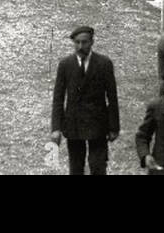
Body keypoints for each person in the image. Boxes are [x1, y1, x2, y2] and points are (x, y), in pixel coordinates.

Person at [50, 25, 120, 175]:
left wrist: (114, 127)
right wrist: (56, 128)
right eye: (77, 42)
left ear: (92, 42)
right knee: (76, 167)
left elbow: (112, 97)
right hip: (74, 124)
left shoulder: (104, 63)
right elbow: (58, 97)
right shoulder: (65, 65)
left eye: (85, 42)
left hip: (98, 125)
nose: (80, 46)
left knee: (98, 166)